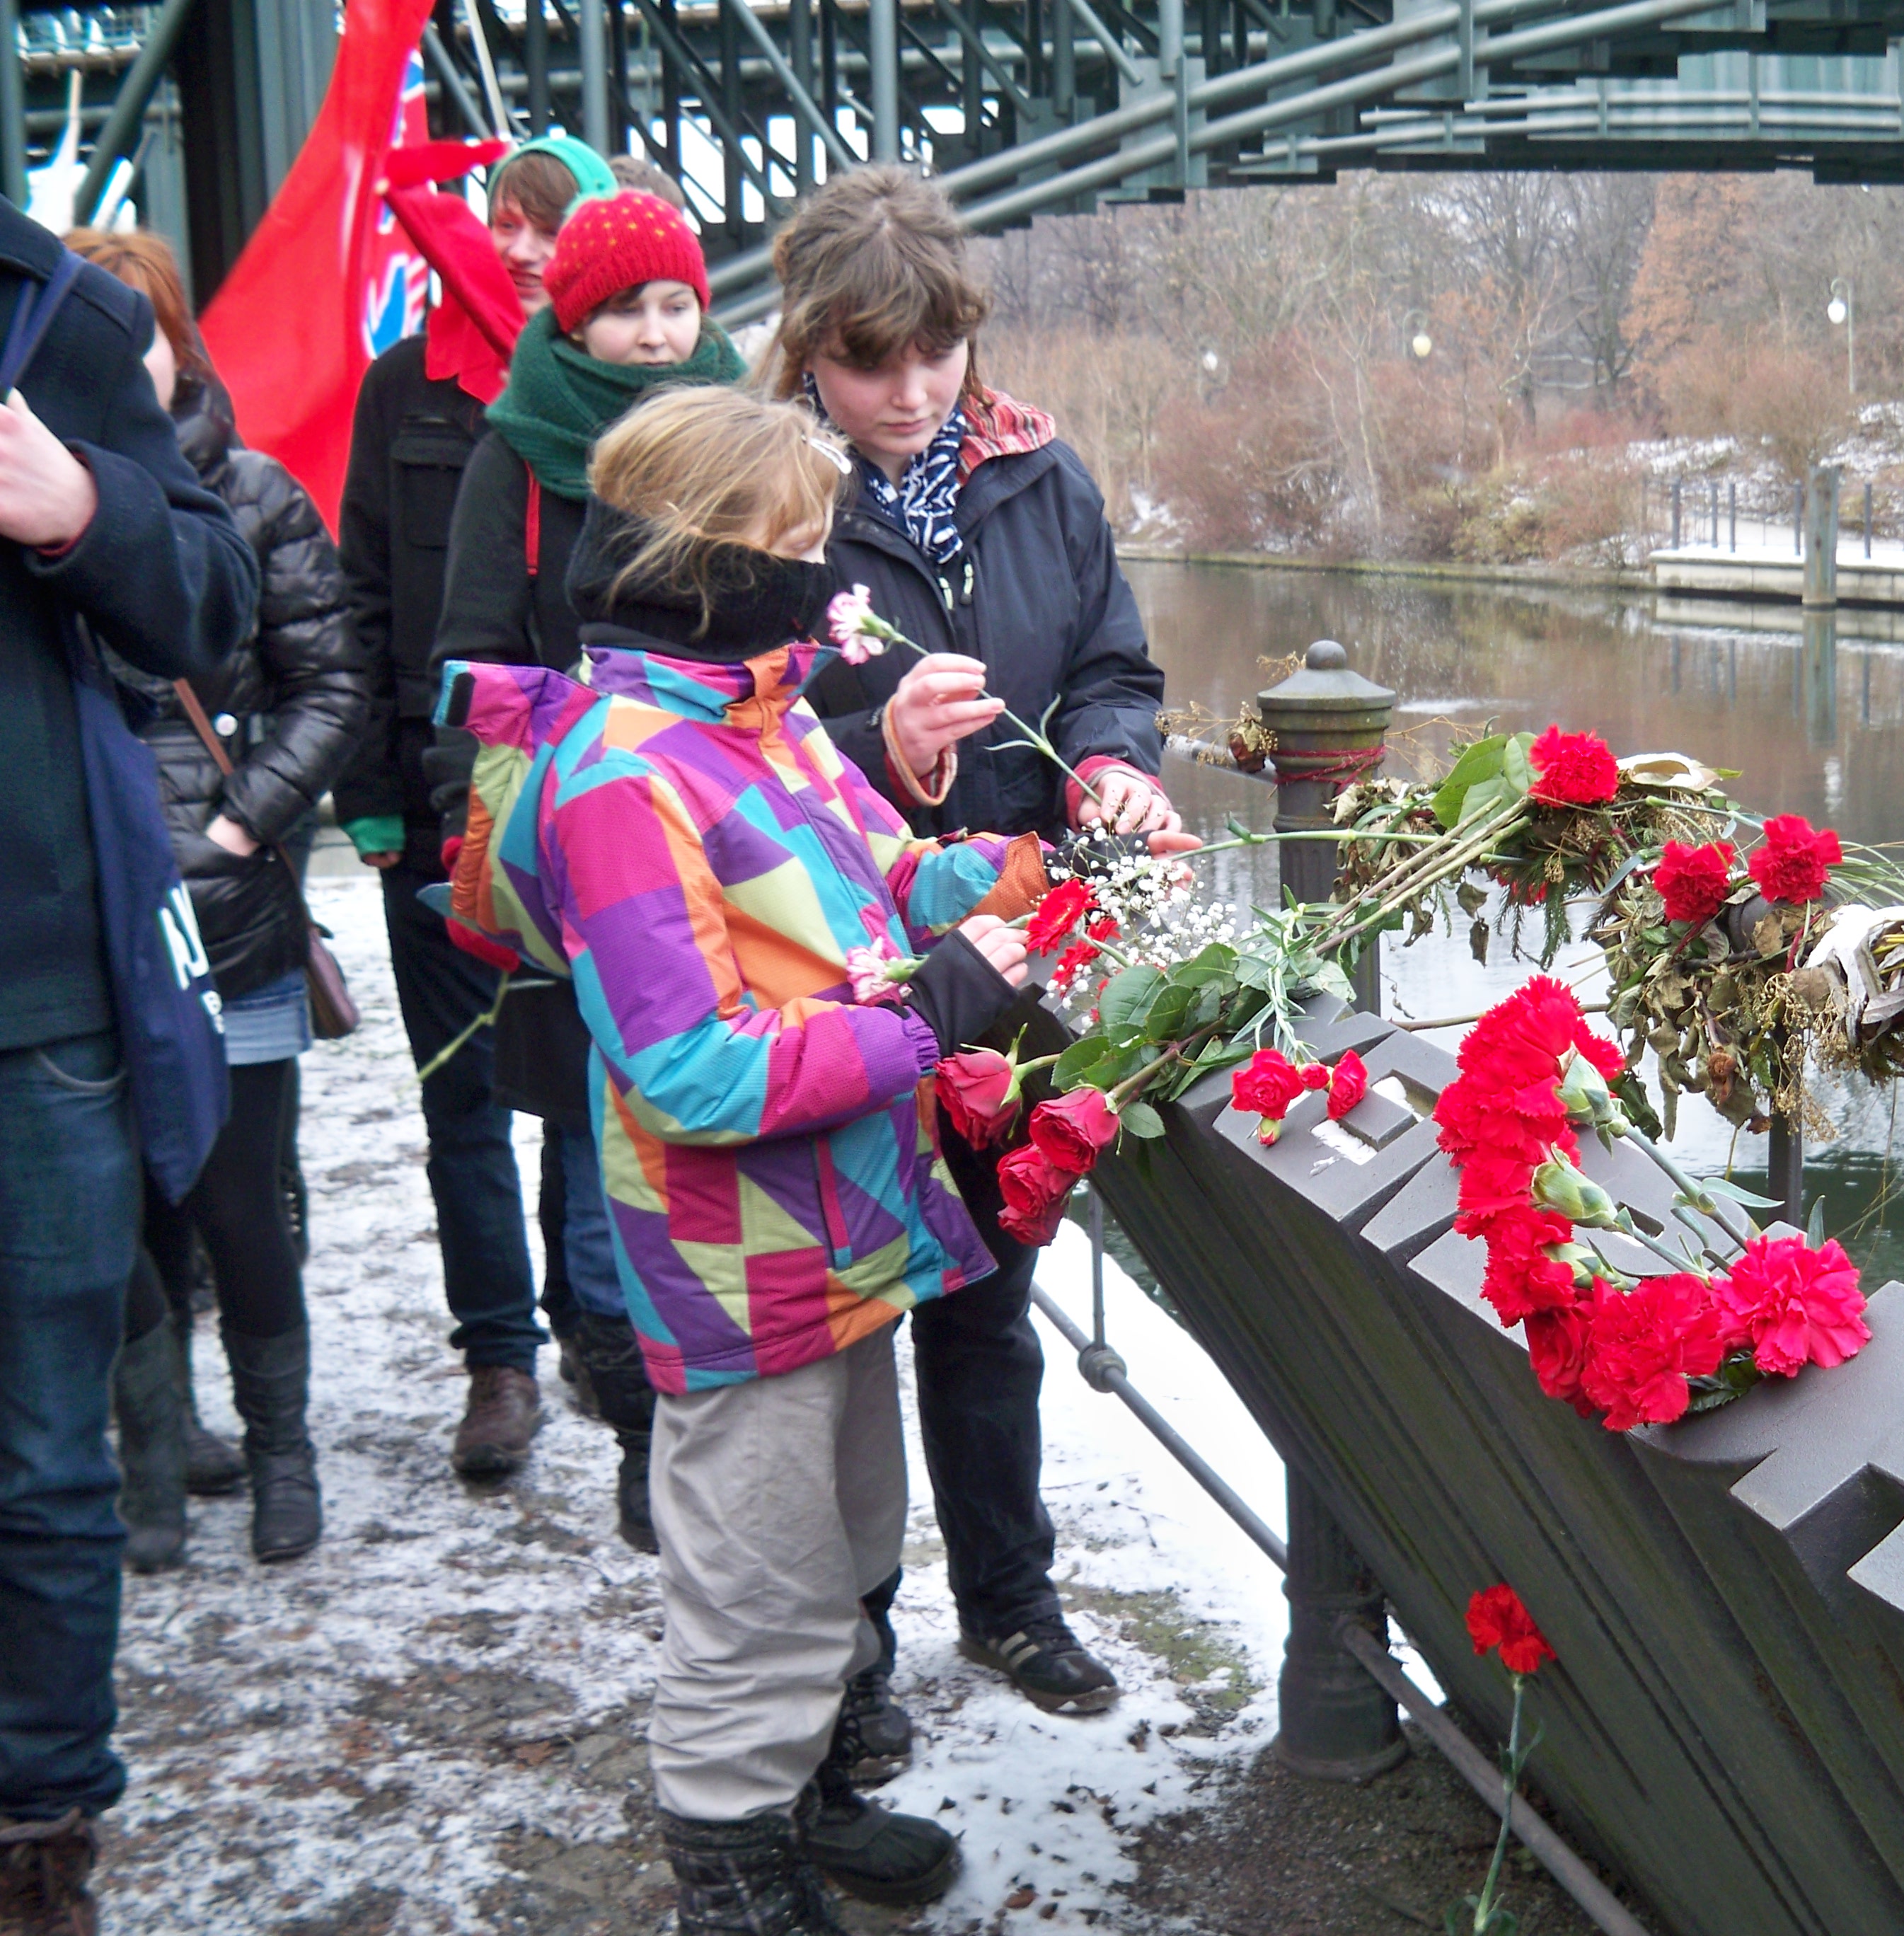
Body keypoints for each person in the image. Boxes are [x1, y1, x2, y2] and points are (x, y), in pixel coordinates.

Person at [442, 385, 1044, 1927]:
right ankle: (731, 1862)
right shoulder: (627, 776)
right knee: (753, 1588)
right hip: (741, 1257)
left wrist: (1038, 873)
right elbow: (690, 1068)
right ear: (705, 564)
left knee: (842, 1543)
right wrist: (932, 1025)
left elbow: (886, 879)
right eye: (794, 545)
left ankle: (819, 1793)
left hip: (848, 1225)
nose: (818, 576)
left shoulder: (761, 718)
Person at [766, 166, 1192, 1753]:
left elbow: (1110, 664)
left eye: (936, 354)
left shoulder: (1040, 474)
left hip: (1016, 950)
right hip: (844, 967)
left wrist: (1114, 762)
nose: (913, 392)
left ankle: (1010, 1602)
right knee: (849, 1320)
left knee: (989, 1297)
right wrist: (878, 744)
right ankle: (850, 1660)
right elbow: (726, 746)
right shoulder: (768, 499)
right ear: (809, 348)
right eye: (874, 362)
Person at [0, 200, 258, 1932]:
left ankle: (36, 1834)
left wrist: (80, 509)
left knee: (39, 1449)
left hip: (36, 1005)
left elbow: (216, 598)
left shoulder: (52, 318)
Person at [430, 186, 747, 1550]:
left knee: (728, 1133)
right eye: (629, 307)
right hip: (595, 846)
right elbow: (470, 659)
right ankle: (641, 1425)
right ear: (576, 315)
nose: (660, 331)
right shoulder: (518, 456)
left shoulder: (747, 430)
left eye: (678, 301)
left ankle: (720, 1398)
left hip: (742, 842)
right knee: (603, 1147)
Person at [67, 229, 368, 1571]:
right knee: (119, 1208)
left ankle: (280, 1451)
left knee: (243, 1201)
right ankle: (154, 1457)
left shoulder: (248, 494)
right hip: (82, 932)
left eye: (130, 330)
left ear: (176, 344)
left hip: (226, 927)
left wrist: (247, 820)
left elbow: (332, 681)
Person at [337, 137, 624, 1487]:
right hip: (446, 796)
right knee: (461, 1096)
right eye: (500, 219)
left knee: (582, 1085)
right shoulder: (405, 392)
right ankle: (497, 1360)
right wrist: (378, 802)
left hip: (597, 811)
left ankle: (587, 1319)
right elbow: (363, 602)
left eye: (545, 225)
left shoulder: (623, 400)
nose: (515, 246)